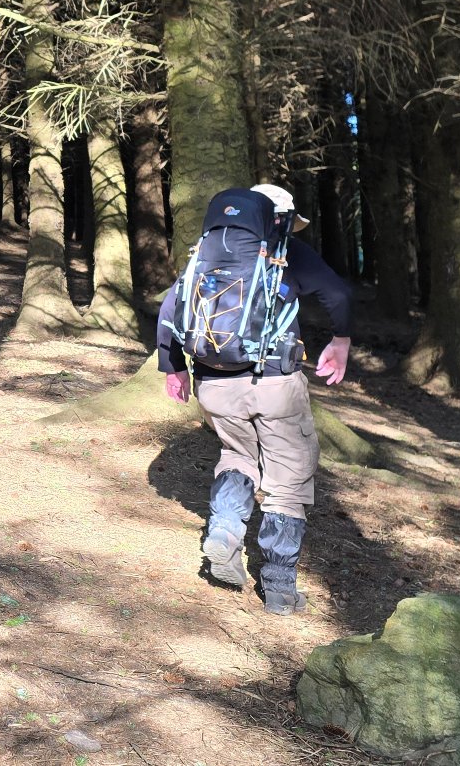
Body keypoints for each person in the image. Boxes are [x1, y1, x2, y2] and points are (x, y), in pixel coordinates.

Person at [154, 183, 352, 615]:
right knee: (289, 476)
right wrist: (340, 339)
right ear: (281, 221)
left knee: (237, 454)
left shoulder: (205, 254)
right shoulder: (289, 254)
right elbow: (336, 294)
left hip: (214, 383)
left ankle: (225, 530)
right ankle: (280, 587)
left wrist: (173, 369)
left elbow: (170, 312)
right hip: (274, 384)